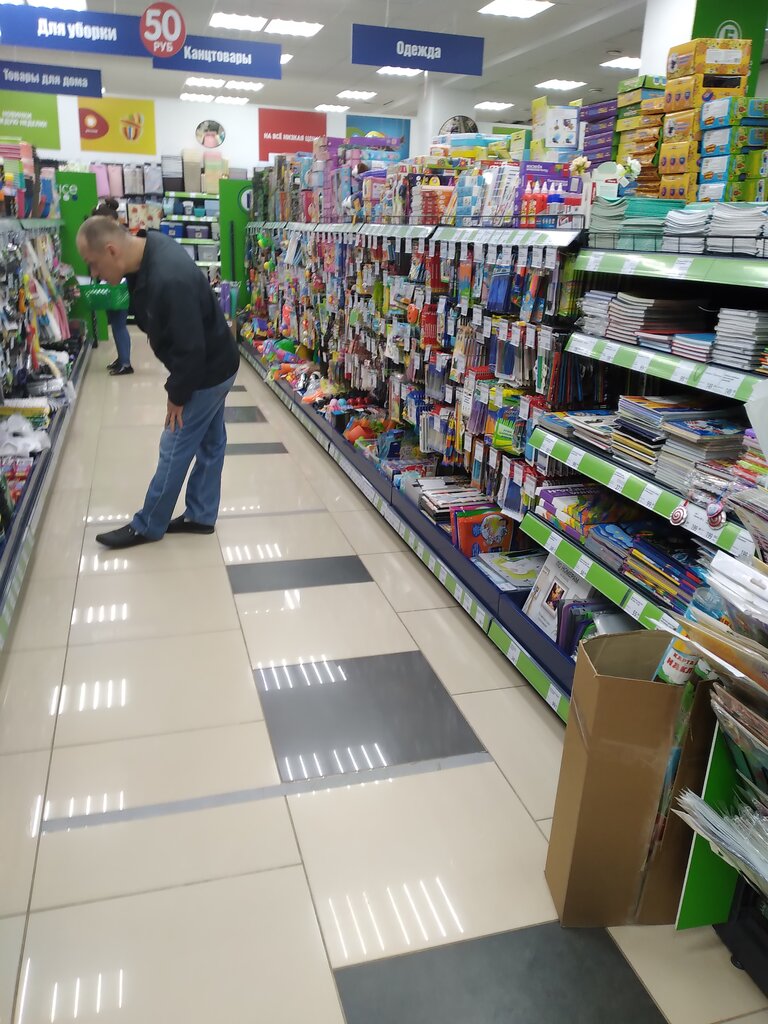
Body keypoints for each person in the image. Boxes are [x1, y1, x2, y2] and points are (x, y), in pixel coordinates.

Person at [76, 216, 240, 550]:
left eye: (93, 264)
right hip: (221, 361)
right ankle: (201, 514)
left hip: (206, 372)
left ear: (111, 250)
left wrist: (176, 396)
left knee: (174, 446)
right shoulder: (148, 249)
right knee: (211, 442)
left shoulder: (168, 278)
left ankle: (148, 524)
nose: (94, 274)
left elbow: (190, 351)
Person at [90, 199, 133, 376]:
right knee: (116, 323)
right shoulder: (117, 233)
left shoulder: (117, 235)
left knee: (119, 324)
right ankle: (122, 358)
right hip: (115, 281)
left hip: (119, 282)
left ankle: (126, 363)